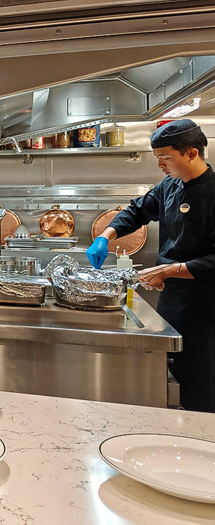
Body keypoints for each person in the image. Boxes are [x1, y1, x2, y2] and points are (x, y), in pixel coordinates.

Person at [86, 118, 214, 412]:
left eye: (165, 158)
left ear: (192, 153)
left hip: (204, 306)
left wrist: (169, 270)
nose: (160, 165)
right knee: (173, 373)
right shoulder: (170, 185)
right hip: (171, 299)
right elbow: (136, 212)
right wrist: (105, 236)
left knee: (200, 381)